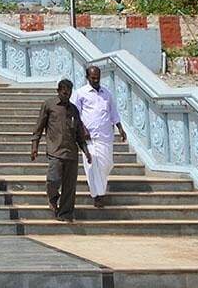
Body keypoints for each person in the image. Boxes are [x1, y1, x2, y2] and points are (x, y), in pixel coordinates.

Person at [30, 78, 91, 223]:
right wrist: (34, 146)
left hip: (71, 152)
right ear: (58, 91)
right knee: (53, 179)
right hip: (55, 151)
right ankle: (52, 198)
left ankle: (65, 214)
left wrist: (86, 151)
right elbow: (39, 127)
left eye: (69, 93)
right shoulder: (49, 105)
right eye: (64, 93)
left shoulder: (74, 110)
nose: (66, 96)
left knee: (70, 187)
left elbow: (79, 134)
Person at [72, 65, 126, 207]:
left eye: (98, 78)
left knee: (106, 165)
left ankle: (99, 190)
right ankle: (97, 195)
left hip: (106, 136)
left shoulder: (107, 93)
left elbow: (113, 113)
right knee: (92, 166)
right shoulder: (80, 93)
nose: (96, 80)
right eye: (93, 78)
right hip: (89, 138)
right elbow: (74, 114)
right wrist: (82, 129)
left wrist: (120, 129)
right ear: (87, 77)